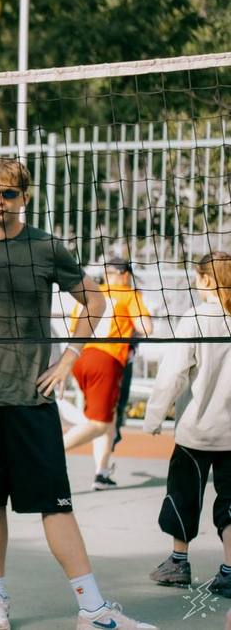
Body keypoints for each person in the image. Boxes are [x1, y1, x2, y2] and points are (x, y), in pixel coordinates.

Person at [0, 159, 156, 630]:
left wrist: (69, 358)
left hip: (32, 400)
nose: (0, 202)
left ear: (25, 197)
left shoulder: (45, 247)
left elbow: (95, 300)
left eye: (10, 194)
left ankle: (93, 609)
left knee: (55, 504)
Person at [143, 251, 231, 596]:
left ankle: (178, 563)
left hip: (195, 432)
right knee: (230, 503)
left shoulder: (195, 318)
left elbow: (172, 374)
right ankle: (228, 570)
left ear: (206, 279)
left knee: (182, 496)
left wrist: (154, 416)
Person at [63, 258, 152, 490]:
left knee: (108, 418)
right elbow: (146, 327)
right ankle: (49, 451)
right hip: (106, 360)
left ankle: (101, 473)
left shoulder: (91, 292)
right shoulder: (128, 294)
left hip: (79, 358)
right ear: (124, 275)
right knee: (100, 423)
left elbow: (75, 326)